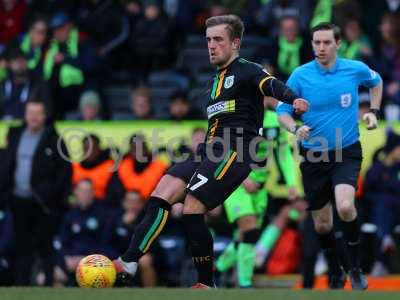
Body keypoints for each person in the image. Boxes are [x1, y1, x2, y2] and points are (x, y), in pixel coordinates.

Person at [113, 14, 308, 288]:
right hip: (210, 151)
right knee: (162, 192)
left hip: (238, 150)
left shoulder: (247, 69)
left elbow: (270, 84)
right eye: (208, 40)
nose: (211, 45)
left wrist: (292, 98)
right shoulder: (217, 79)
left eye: (218, 39)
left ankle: (206, 282)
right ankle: (130, 261)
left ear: (235, 43)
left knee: (193, 206)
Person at [276, 22, 383, 290]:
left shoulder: (354, 68)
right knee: (322, 224)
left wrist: (374, 111)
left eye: (326, 43)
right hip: (313, 155)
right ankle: (335, 268)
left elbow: (377, 81)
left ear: (337, 44)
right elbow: (282, 111)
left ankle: (356, 268)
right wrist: (295, 128)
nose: (320, 48)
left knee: (346, 206)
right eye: (316, 43)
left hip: (346, 150)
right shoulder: (300, 75)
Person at [215, 98, 300, 288]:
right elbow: (222, 152)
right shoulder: (236, 119)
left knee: (246, 236)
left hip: (260, 186)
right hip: (236, 183)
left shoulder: (274, 121)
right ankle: (245, 283)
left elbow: (283, 153)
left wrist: (291, 183)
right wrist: (241, 177)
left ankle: (217, 269)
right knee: (250, 228)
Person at [0, 98, 72, 285]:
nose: (33, 117)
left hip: (43, 203)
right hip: (17, 200)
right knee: (21, 246)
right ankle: (21, 284)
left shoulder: (54, 139)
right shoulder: (15, 134)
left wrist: (53, 196)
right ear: (25, 114)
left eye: (37, 113)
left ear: (44, 116)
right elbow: (7, 165)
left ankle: (48, 283)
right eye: (30, 112)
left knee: (45, 246)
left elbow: (65, 172)